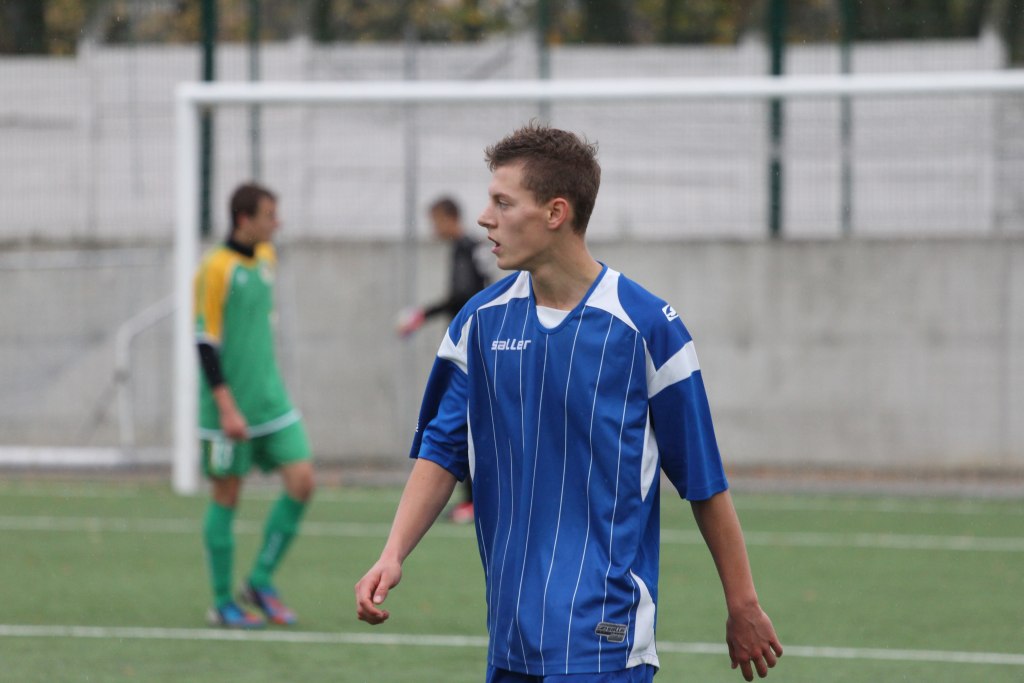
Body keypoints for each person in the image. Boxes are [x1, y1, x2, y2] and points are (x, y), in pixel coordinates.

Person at [355, 123, 782, 682]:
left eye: (503, 202)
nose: (485, 217)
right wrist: (393, 552)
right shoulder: (478, 323)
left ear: (555, 212)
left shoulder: (647, 327)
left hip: (604, 636)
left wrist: (742, 602)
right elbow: (442, 448)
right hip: (509, 637)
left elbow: (702, 479)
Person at [194, 182, 315, 629]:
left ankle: (260, 579)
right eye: (269, 215)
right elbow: (204, 342)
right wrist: (226, 407)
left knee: (302, 481)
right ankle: (223, 601)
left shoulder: (266, 257)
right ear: (245, 219)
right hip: (228, 409)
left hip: (272, 403)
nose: (276, 223)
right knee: (227, 494)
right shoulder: (214, 268)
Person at [396, 196, 493, 523]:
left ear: (450, 218)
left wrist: (422, 314)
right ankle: (472, 500)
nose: (433, 228)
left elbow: (465, 296)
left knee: (462, 420)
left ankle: (473, 501)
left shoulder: (467, 247)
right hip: (471, 343)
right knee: (465, 419)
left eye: (436, 220)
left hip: (472, 346)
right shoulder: (465, 247)